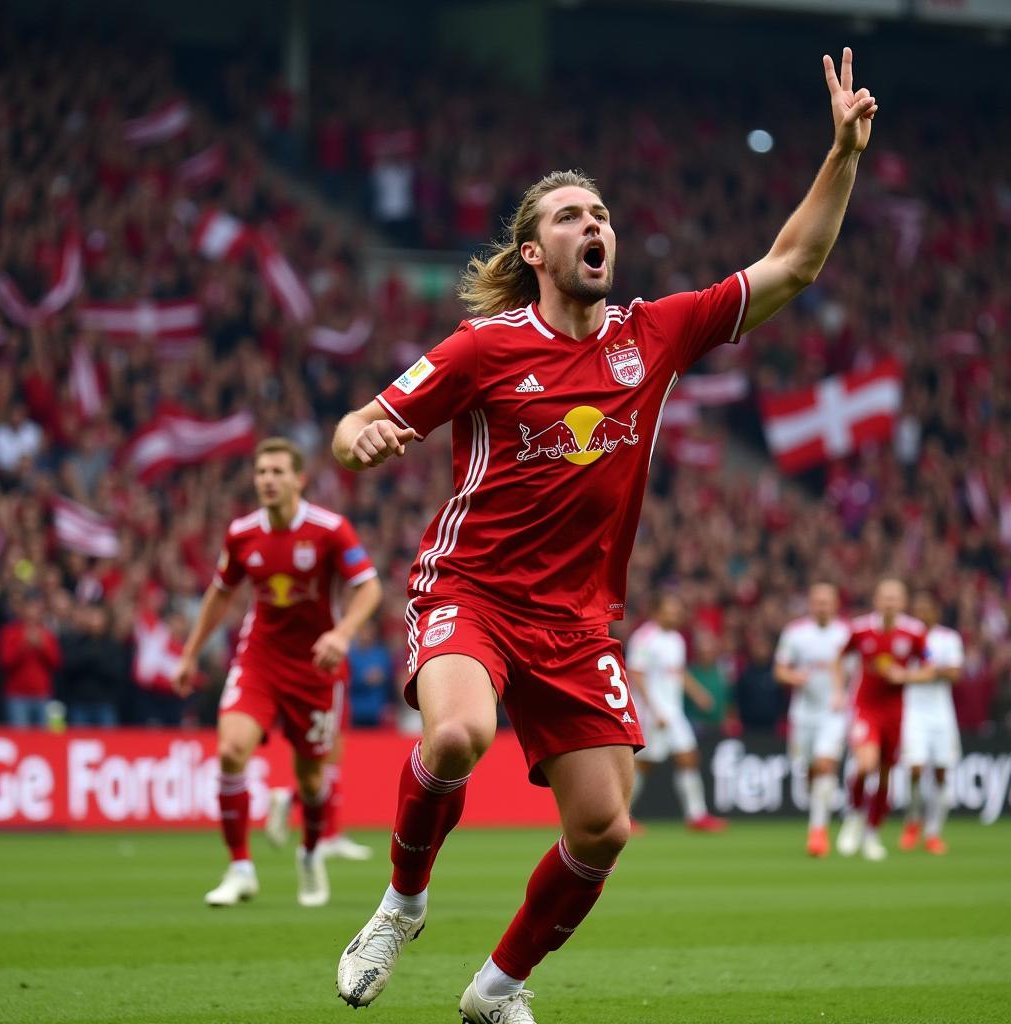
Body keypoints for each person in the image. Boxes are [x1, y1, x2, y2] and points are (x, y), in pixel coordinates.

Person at [331, 48, 877, 1023]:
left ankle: (496, 988)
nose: (596, 226)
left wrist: (840, 152)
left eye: (602, 215)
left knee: (605, 826)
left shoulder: (652, 334)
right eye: (571, 216)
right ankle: (402, 905)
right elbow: (352, 426)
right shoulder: (484, 348)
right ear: (534, 253)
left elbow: (791, 263)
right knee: (456, 732)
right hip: (473, 593)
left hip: (578, 625)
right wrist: (367, 437)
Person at [172, 437, 382, 907]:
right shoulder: (243, 533)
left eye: (277, 472)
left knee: (310, 781)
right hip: (260, 659)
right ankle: (240, 868)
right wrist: (189, 653)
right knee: (230, 751)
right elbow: (220, 594)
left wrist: (342, 634)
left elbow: (369, 587)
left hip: (315, 666)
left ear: (298, 479)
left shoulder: (330, 530)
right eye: (261, 472)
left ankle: (309, 854)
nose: (267, 480)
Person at [835, 579, 933, 862]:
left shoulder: (914, 633)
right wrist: (838, 690)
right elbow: (838, 659)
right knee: (865, 764)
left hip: (895, 712)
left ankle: (872, 833)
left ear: (903, 602)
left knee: (886, 774)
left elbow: (929, 668)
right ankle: (854, 814)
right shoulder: (859, 629)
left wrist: (906, 676)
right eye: (885, 597)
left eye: (895, 598)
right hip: (865, 708)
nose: (889, 602)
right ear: (876, 600)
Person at [626, 594, 726, 831]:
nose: (675, 614)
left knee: (688, 757)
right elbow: (636, 674)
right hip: (653, 713)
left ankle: (697, 816)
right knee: (644, 765)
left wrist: (698, 693)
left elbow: (678, 672)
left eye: (677, 610)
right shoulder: (644, 638)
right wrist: (654, 709)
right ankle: (621, 816)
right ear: (656, 611)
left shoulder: (676, 639)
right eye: (670, 610)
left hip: (674, 712)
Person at [774, 583, 850, 857]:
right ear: (810, 604)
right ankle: (826, 804)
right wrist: (795, 677)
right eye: (817, 601)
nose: (822, 606)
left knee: (824, 763)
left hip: (834, 712)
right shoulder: (796, 634)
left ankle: (818, 832)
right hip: (803, 713)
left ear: (836, 604)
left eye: (826, 602)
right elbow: (780, 670)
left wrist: (842, 691)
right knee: (808, 769)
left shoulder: (846, 634)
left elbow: (856, 670)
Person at [899, 591, 964, 855]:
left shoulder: (948, 638)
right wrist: (929, 672)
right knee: (914, 769)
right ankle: (913, 819)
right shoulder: (906, 638)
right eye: (919, 608)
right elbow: (895, 671)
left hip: (941, 714)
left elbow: (955, 673)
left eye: (928, 608)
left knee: (941, 772)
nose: (923, 613)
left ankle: (933, 832)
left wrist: (927, 672)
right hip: (913, 712)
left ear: (936, 612)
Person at [0, 592, 61, 727]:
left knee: (43, 740)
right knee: (21, 738)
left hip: (42, 695)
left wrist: (42, 646)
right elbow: (6, 661)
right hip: (17, 696)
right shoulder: (10, 632)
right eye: (29, 607)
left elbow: (56, 662)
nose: (33, 612)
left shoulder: (47, 633)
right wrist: (23, 645)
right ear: (22, 609)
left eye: (36, 608)